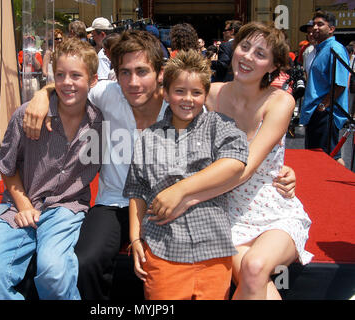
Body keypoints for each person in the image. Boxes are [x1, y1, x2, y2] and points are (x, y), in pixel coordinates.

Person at [22, 29, 297, 300]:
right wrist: (42, 96)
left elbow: (234, 150)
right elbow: (71, 85)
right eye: (125, 72)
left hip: (170, 203)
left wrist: (276, 169)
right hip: (115, 201)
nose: (133, 82)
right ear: (114, 75)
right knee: (85, 261)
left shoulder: (180, 103)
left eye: (142, 71)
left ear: (160, 74)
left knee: (201, 265)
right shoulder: (107, 94)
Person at [147, 22, 313, 300]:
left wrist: (185, 195)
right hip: (225, 212)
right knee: (253, 277)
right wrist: (48, 90)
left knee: (256, 265)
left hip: (272, 206)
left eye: (260, 54)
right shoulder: (209, 95)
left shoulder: (280, 102)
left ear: (272, 66)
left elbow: (244, 167)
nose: (248, 57)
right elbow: (156, 103)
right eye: (245, 47)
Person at [0, 37, 102, 300]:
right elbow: (7, 168)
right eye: (60, 75)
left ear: (93, 80)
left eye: (76, 75)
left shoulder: (99, 123)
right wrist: (23, 206)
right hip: (18, 205)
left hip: (66, 207)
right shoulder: (26, 115)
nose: (67, 82)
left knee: (54, 273)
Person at [124, 49, 249, 300]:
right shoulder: (149, 137)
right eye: (179, 91)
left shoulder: (219, 125)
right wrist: (136, 239)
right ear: (166, 93)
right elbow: (137, 189)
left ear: (205, 94)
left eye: (196, 92)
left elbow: (235, 162)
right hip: (163, 248)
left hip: (213, 249)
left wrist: (179, 189)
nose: (187, 99)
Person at [300, 11, 350, 166]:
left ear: (331, 29)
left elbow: (340, 84)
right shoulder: (317, 50)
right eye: (314, 24)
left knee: (328, 158)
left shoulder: (335, 48)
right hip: (315, 111)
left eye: (320, 24)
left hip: (326, 113)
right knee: (319, 156)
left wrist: (323, 106)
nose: (315, 27)